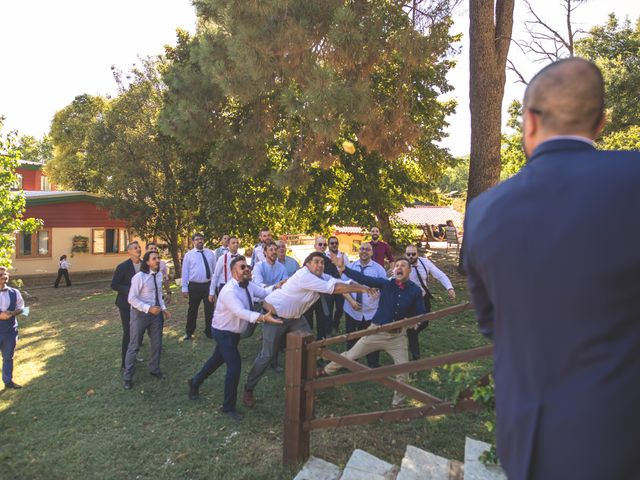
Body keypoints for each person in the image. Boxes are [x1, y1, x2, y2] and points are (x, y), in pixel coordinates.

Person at [463, 58, 640, 480]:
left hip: (530, 442)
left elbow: (492, 323)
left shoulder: (484, 212)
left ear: (529, 121)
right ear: (600, 123)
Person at [242, 251, 373, 408]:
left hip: (295, 318)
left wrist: (363, 285)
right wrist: (362, 290)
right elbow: (335, 288)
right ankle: (248, 389)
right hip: (274, 315)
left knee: (310, 347)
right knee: (268, 355)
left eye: (322, 263)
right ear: (307, 264)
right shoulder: (304, 276)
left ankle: (312, 381)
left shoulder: (321, 276)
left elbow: (338, 282)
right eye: (316, 262)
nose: (320, 265)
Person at [188, 256, 282, 421]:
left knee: (216, 360)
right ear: (233, 272)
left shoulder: (248, 285)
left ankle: (195, 382)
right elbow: (240, 312)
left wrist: (278, 286)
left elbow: (264, 292)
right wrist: (263, 318)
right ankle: (228, 407)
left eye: (247, 266)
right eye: (242, 267)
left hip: (234, 333)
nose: (247, 269)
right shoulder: (229, 291)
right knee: (235, 366)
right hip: (223, 332)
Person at [323, 256, 425, 407]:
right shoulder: (385, 284)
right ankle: (323, 373)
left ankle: (398, 404)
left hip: (398, 337)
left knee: (403, 371)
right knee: (350, 356)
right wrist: (344, 268)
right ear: (393, 270)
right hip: (376, 331)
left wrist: (416, 321)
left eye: (403, 266)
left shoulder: (415, 291)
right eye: (397, 265)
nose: (399, 268)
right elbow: (364, 278)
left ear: (409, 270)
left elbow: (420, 312)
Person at [123, 251, 171, 389]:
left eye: (158, 258)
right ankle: (127, 377)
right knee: (134, 345)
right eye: (154, 259)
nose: (157, 260)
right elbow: (131, 298)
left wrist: (163, 308)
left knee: (157, 344)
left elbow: (159, 294)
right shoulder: (139, 277)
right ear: (147, 262)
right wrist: (148, 308)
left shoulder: (159, 275)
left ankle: (154, 369)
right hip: (139, 315)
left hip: (156, 315)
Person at [405, 244, 455, 360]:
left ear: (418, 254)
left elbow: (439, 275)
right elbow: (392, 279)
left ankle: (408, 333)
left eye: (413, 254)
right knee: (413, 328)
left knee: (425, 322)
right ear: (405, 254)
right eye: (408, 254)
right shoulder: (402, 265)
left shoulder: (425, 262)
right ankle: (416, 357)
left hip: (423, 297)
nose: (411, 257)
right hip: (409, 301)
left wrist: (449, 287)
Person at [341, 242, 387, 368]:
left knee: (372, 338)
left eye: (367, 249)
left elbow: (385, 290)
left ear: (372, 252)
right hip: (351, 309)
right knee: (351, 337)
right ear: (358, 251)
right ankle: (351, 363)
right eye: (362, 249)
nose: (364, 251)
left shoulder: (379, 269)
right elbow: (342, 287)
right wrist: (351, 302)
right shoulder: (350, 267)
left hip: (371, 311)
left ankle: (373, 364)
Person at [111, 242, 143, 369]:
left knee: (138, 331)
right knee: (128, 332)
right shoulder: (123, 267)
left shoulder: (144, 265)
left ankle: (133, 356)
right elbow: (114, 285)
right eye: (135, 248)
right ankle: (125, 363)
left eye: (139, 248)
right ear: (129, 251)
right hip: (125, 304)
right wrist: (130, 290)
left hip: (141, 304)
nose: (138, 249)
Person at [304, 236, 341, 340]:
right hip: (310, 295)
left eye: (324, 244)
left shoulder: (329, 261)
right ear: (315, 245)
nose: (322, 246)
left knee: (324, 318)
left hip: (324, 295)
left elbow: (336, 277)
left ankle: (322, 338)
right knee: (308, 319)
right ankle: (308, 339)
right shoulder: (308, 260)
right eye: (320, 244)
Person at [181, 233, 216, 340]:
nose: (199, 241)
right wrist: (184, 288)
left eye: (201, 239)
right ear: (193, 242)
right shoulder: (189, 255)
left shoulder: (210, 253)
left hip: (208, 286)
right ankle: (189, 331)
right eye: (197, 239)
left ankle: (209, 331)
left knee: (209, 309)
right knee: (193, 310)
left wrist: (213, 287)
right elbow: (185, 272)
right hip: (194, 286)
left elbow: (214, 271)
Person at [0, 266, 25, 389]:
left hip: (10, 331)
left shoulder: (15, 292)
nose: (4, 276)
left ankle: (8, 381)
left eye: (5, 274)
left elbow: (22, 308)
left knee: (8, 357)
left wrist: (12, 313)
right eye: (0, 274)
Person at [328, 236, 349, 333]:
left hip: (340, 284)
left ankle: (335, 324)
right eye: (332, 243)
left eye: (336, 243)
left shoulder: (343, 255)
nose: (334, 245)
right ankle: (328, 328)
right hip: (329, 285)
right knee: (329, 307)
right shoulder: (325, 255)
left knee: (340, 307)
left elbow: (348, 269)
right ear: (328, 245)